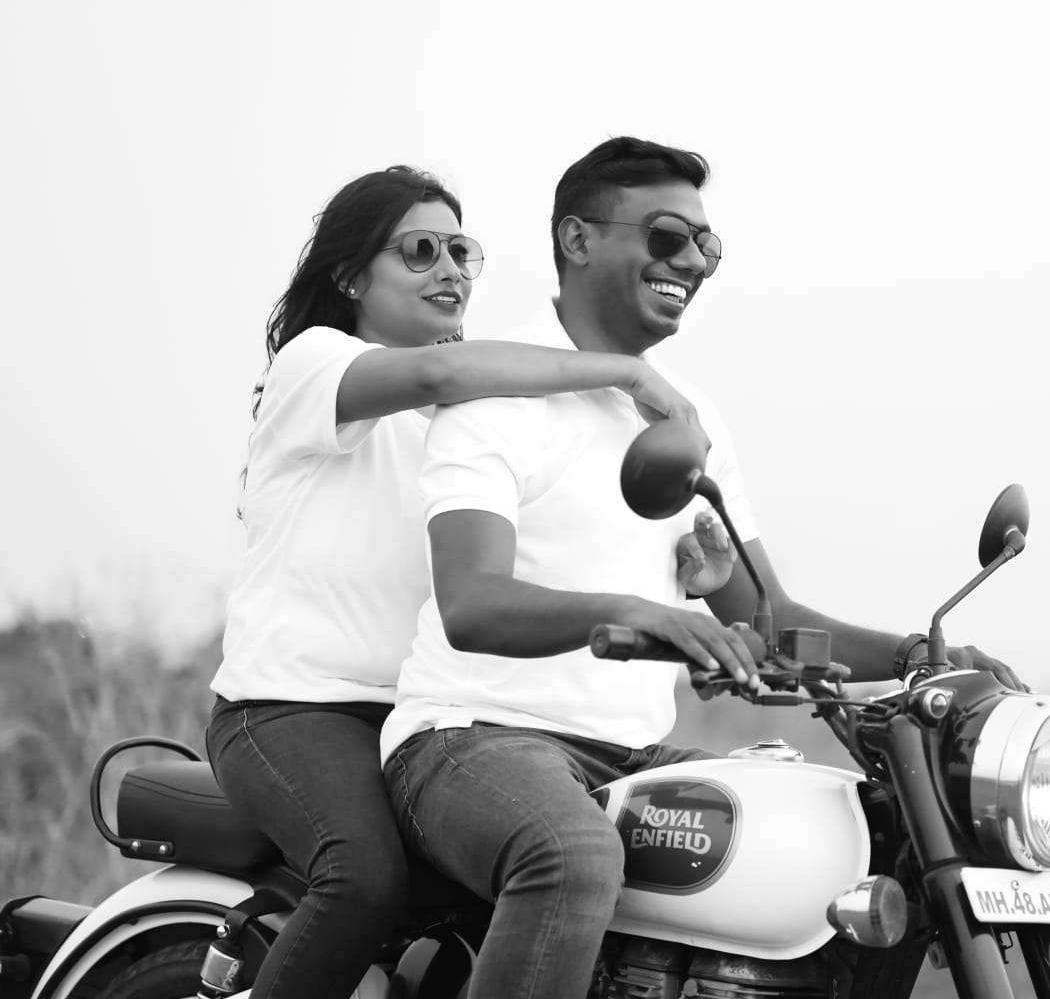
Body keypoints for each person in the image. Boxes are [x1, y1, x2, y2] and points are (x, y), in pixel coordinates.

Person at [378, 138, 1021, 999]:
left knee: (849, 836)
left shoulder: (686, 415)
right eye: (667, 236)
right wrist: (646, 611)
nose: (690, 261)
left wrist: (917, 657)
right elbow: (472, 602)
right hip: (471, 737)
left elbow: (767, 622)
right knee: (570, 855)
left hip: (632, 755)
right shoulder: (497, 394)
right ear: (576, 239)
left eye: (705, 246)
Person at [205, 165, 732, 999]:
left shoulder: (473, 409)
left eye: (462, 251)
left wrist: (687, 577)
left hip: (433, 708)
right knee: (364, 877)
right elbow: (438, 374)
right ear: (350, 277)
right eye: (420, 250)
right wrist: (625, 372)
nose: (449, 269)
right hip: (295, 707)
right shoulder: (317, 366)